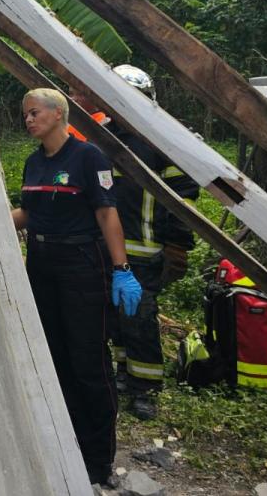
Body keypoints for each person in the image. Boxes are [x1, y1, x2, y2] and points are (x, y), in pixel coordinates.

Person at [10, 88, 142, 486]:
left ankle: (98, 459)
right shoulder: (34, 163)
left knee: (88, 362)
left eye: (34, 113)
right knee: (56, 359)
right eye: (25, 115)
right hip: (43, 265)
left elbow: (107, 213)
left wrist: (122, 268)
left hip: (82, 266)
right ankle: (66, 446)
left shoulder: (88, 157)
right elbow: (29, 213)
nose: (29, 120)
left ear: (57, 113)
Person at [69, 66, 199, 420]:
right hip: (104, 247)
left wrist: (177, 243)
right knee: (114, 318)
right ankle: (126, 376)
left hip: (145, 248)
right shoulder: (101, 137)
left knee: (140, 319)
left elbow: (184, 199)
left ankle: (146, 390)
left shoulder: (161, 142)